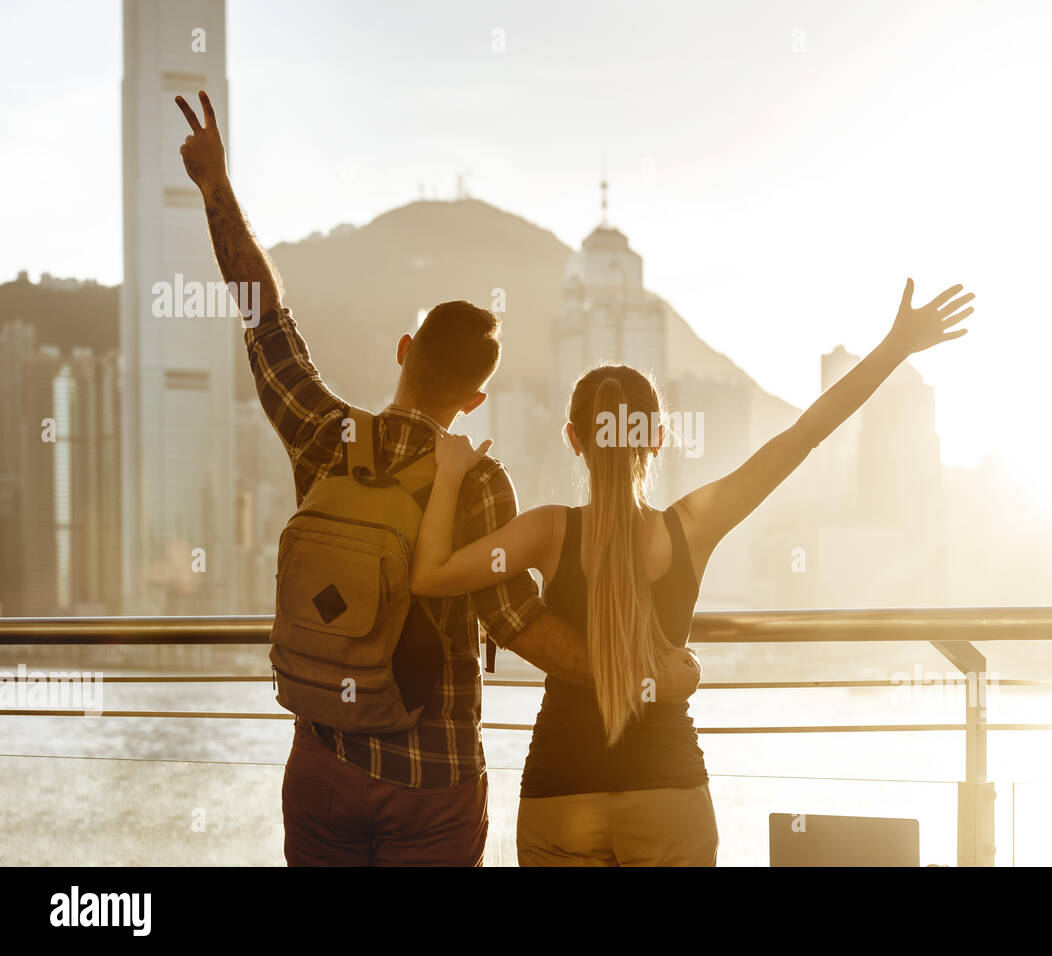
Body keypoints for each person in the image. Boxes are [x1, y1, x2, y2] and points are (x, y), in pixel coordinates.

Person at [173, 90, 699, 866]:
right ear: (476, 397)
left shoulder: (322, 435)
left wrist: (216, 187)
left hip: (322, 764)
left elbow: (263, 316)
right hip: (435, 778)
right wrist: (646, 672)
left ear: (402, 349)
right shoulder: (482, 485)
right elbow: (521, 628)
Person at [410, 277, 975, 865]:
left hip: (561, 790)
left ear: (574, 440)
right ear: (656, 439)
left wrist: (450, 471)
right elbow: (806, 434)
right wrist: (895, 347)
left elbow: (429, 575)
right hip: (667, 792)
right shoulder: (692, 526)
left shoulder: (547, 531)